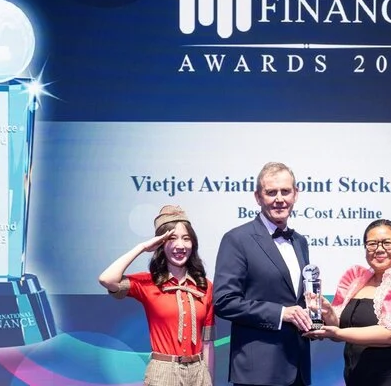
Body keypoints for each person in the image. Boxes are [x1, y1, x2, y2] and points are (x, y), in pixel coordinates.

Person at [305, 219, 391, 386]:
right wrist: (328, 312)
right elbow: (340, 327)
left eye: (387, 243)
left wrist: (337, 333)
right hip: (356, 376)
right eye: (372, 244)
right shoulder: (356, 281)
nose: (379, 249)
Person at [214, 162, 312, 386]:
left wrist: (316, 314)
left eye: (285, 191)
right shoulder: (237, 239)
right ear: (258, 197)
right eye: (271, 192)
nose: (279, 199)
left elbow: (297, 299)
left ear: (296, 194)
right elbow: (224, 302)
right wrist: (281, 313)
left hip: (298, 370)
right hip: (258, 372)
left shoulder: (300, 242)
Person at [98, 205, 214, 386]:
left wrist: (209, 380)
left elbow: (207, 343)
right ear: (160, 244)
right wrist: (143, 247)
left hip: (199, 372)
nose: (180, 245)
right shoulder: (149, 282)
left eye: (186, 238)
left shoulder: (204, 286)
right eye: (172, 239)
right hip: (163, 372)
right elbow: (107, 279)